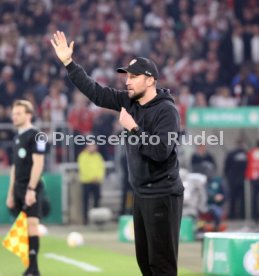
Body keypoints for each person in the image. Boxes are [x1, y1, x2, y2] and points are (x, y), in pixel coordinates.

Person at [51, 31, 184, 276]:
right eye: (127, 77)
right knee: (145, 263)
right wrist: (70, 64)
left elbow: (160, 151)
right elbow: (96, 92)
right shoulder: (130, 102)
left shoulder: (166, 111)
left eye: (134, 77)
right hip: (142, 194)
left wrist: (133, 127)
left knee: (162, 266)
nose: (127, 81)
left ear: (151, 80)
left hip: (163, 195)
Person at [6, 100, 46, 276]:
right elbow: (14, 166)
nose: (14, 117)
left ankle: (34, 269)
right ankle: (31, 267)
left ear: (28, 115)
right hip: (18, 187)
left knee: (32, 225)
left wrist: (31, 189)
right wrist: (10, 193)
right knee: (22, 230)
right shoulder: (16, 137)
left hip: (31, 187)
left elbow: (38, 163)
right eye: (13, 114)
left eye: (18, 113)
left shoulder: (37, 135)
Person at [77, 143, 106, 224]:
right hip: (86, 182)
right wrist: (92, 178)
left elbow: (101, 168)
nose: (93, 148)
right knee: (85, 201)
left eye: (94, 146)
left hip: (97, 182)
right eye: (91, 146)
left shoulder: (98, 156)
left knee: (97, 201)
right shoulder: (82, 156)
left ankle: (97, 220)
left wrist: (99, 177)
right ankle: (85, 220)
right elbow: (83, 169)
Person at [224, 139, 247, 219]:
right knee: (233, 198)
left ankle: (243, 215)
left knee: (243, 199)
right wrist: (228, 177)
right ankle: (232, 215)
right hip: (233, 179)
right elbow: (227, 166)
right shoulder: (231, 154)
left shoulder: (246, 153)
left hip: (244, 180)